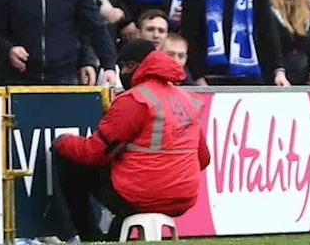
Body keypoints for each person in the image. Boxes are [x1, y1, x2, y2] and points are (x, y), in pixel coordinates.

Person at [51, 49, 210, 242]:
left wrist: (62, 142)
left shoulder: (135, 99)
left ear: (144, 65)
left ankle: (89, 236)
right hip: (184, 198)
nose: (123, 72)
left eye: (129, 66)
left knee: (70, 158)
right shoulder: (187, 99)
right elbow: (203, 158)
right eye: (121, 67)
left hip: (141, 195)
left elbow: (94, 152)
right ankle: (113, 234)